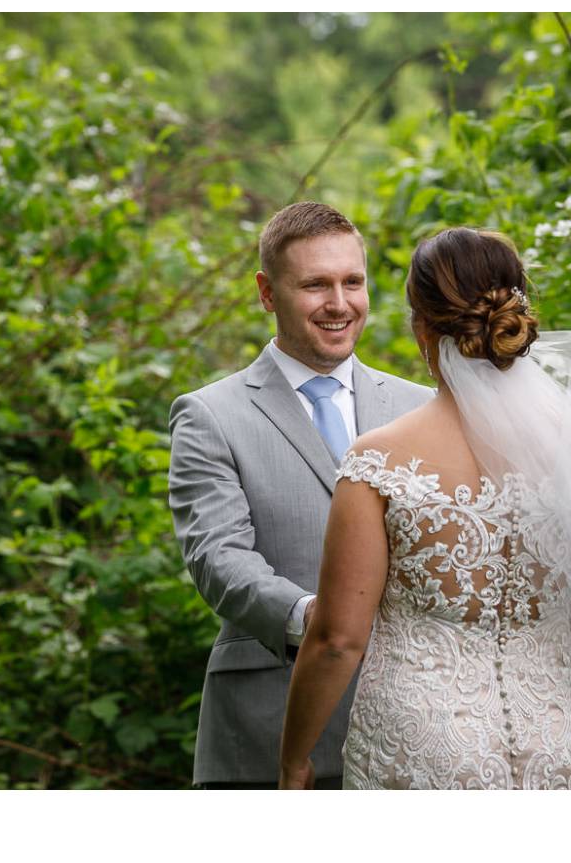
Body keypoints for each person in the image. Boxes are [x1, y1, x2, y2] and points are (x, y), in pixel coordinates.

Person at [279, 226, 571, 790]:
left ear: (422, 329)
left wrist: (294, 760)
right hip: (558, 740)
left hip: (424, 743)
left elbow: (337, 640)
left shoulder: (379, 460)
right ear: (514, 322)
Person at [168, 201, 434, 789]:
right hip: (270, 727)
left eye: (352, 282)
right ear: (267, 292)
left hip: (414, 730)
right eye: (315, 285)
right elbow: (217, 559)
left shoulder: (424, 407)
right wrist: (315, 618)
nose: (339, 304)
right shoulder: (210, 415)